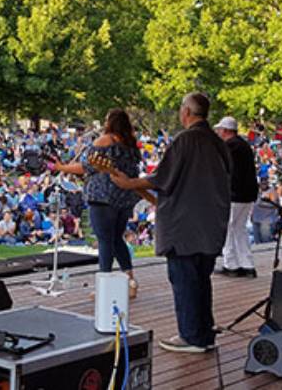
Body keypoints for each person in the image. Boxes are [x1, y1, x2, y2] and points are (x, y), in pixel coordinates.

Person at [106, 92, 231, 353]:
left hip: (186, 225)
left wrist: (129, 183)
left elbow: (163, 177)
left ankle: (190, 336)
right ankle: (203, 333)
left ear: (186, 111)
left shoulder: (186, 139)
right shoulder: (218, 141)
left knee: (185, 280)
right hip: (211, 222)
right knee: (201, 280)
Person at [52, 109, 147, 298]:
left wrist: (60, 166)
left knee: (104, 240)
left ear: (110, 122)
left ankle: (105, 285)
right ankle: (130, 281)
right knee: (116, 238)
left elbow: (86, 165)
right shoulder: (130, 144)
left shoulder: (105, 140)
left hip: (103, 196)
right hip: (124, 197)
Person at [215, 116, 258, 278]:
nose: (218, 132)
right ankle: (247, 264)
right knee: (239, 229)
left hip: (234, 194)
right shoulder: (244, 145)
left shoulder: (229, 147)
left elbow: (226, 172)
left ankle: (231, 264)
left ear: (226, 131)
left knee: (228, 228)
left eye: (219, 130)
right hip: (247, 194)